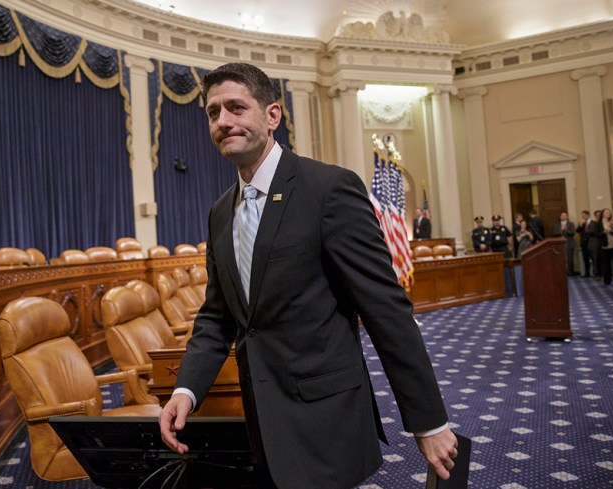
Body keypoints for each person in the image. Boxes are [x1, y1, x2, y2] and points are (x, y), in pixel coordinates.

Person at [157, 63, 457, 488]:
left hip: (325, 418)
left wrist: (428, 422)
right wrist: (185, 391)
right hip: (263, 419)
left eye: (237, 108)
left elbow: (385, 309)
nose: (223, 121)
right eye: (213, 112)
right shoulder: (221, 211)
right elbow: (216, 318)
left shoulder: (328, 189)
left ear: (272, 116)